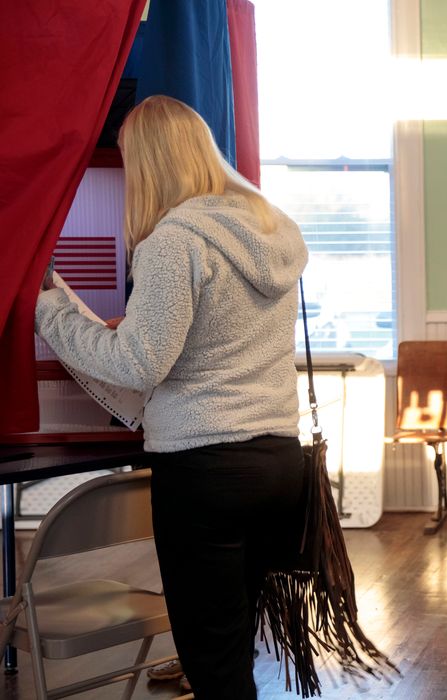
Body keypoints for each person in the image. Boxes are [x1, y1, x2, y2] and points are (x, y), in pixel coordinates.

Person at [35, 95, 309, 698]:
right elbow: (211, 338)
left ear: (150, 162)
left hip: (206, 469)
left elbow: (139, 364)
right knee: (232, 647)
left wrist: (52, 311)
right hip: (279, 464)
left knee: (214, 665)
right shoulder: (269, 229)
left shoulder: (174, 241)